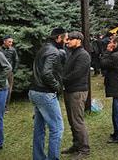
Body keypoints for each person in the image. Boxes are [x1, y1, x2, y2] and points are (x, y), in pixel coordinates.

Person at [29, 27, 67, 160]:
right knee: (57, 128)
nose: (66, 42)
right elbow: (46, 73)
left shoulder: (43, 48)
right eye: (65, 38)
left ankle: (38, 157)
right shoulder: (53, 51)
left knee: (39, 128)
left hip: (35, 91)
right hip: (45, 93)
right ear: (58, 38)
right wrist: (57, 87)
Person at [61, 31, 91, 159]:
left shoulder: (83, 55)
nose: (67, 41)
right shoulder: (73, 53)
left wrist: (62, 80)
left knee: (77, 120)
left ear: (78, 40)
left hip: (77, 91)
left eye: (70, 39)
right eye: (67, 39)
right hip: (70, 90)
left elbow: (77, 74)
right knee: (71, 120)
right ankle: (76, 145)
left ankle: (84, 149)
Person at [0, 35, 19, 111]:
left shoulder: (13, 50)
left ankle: (6, 108)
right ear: (4, 41)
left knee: (9, 90)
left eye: (12, 42)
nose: (11, 43)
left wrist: (13, 71)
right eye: (9, 42)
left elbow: (16, 60)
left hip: (9, 73)